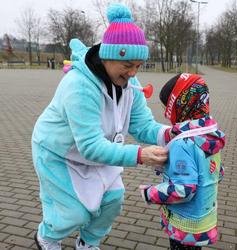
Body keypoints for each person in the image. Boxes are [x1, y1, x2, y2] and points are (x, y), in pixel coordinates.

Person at [32, 3, 170, 250]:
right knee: (74, 213)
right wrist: (140, 155)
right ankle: (47, 236)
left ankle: (88, 242)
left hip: (100, 153)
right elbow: (90, 146)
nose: (132, 73)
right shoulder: (79, 86)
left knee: (113, 201)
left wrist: (169, 134)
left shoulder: (131, 84)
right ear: (108, 55)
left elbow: (141, 125)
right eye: (127, 65)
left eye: (138, 66)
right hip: (59, 154)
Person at [139, 73, 226, 249]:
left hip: (184, 224)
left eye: (167, 108)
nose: (165, 114)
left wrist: (150, 193)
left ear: (179, 106)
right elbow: (218, 172)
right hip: (203, 218)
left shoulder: (183, 143)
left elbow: (183, 190)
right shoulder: (208, 135)